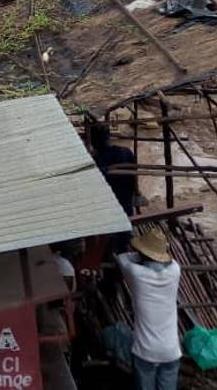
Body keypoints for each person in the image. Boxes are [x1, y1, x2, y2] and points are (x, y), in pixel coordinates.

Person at [116, 231, 182, 390]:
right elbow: (171, 261)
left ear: (142, 253)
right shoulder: (174, 272)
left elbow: (121, 257)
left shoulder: (137, 273)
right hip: (170, 350)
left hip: (145, 351)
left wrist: (139, 256)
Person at [88, 121, 138, 217]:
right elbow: (134, 174)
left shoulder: (95, 160)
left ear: (93, 141)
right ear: (108, 136)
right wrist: (136, 191)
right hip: (125, 195)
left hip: (109, 202)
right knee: (127, 217)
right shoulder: (126, 152)